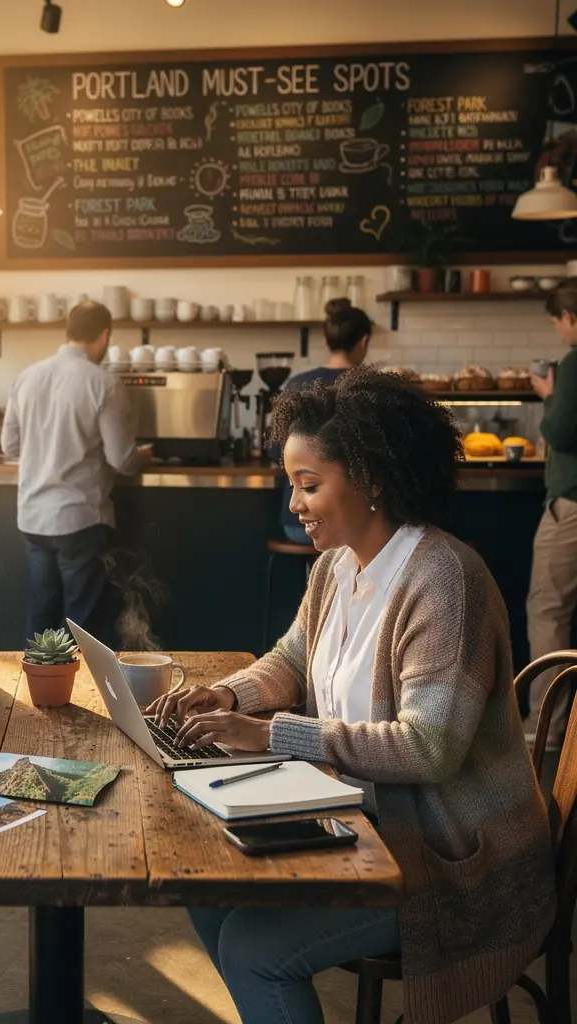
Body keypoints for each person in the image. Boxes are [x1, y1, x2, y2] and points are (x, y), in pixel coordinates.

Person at [150, 367, 555, 1024]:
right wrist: (227, 696)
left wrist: (272, 733)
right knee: (204, 891)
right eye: (293, 486)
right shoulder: (337, 566)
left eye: (310, 486)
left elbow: (429, 749)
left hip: (450, 864)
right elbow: (291, 661)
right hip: (368, 826)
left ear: (371, 479)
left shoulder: (445, 583)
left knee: (254, 949)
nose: (295, 505)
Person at [1, 300, 152, 646]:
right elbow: (122, 460)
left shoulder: (27, 376)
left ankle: (33, 695)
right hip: (79, 520)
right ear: (104, 336)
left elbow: (10, 447)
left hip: (33, 517)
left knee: (42, 613)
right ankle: (82, 695)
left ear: (69, 332)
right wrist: (145, 454)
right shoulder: (104, 383)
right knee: (81, 623)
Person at [270, 298, 370, 543]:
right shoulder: (371, 388)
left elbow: (274, 452)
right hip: (356, 522)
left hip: (298, 525)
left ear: (325, 340)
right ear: (364, 340)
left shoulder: (297, 383)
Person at [526, 276, 577, 748]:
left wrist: (549, 395)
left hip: (571, 504)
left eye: (557, 322)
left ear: (569, 318)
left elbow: (561, 431)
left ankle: (547, 727)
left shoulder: (574, 360)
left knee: (548, 612)